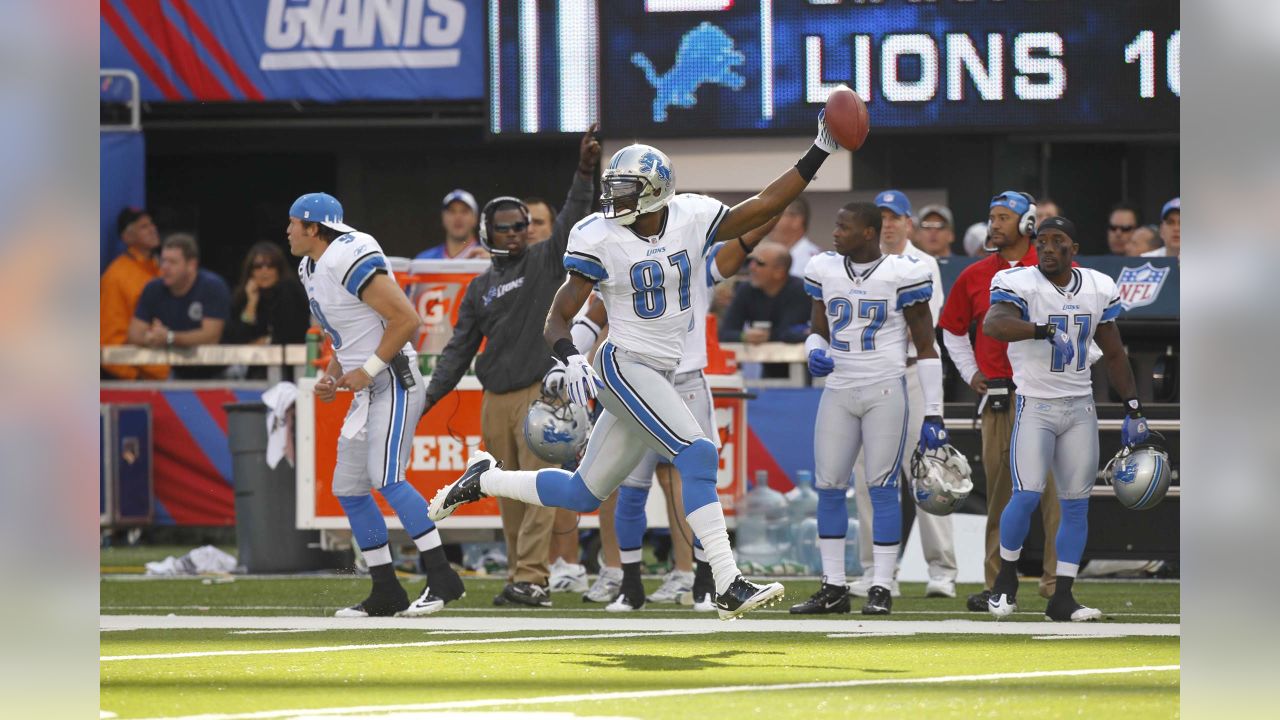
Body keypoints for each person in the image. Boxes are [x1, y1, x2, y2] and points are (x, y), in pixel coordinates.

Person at [429, 114, 846, 619]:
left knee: (583, 492)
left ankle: (484, 479)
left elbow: (763, 206)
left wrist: (819, 151)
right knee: (697, 455)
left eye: (626, 190)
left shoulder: (692, 216)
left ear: (656, 193)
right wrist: (568, 356)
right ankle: (726, 582)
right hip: (624, 364)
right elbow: (559, 313)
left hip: (663, 369)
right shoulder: (598, 235)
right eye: (614, 188)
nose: (615, 199)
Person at [422, 128, 600, 608]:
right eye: (507, 227)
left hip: (540, 394)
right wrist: (426, 399)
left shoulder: (544, 261)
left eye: (522, 225)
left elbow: (570, 219)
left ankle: (532, 578)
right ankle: (523, 574)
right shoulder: (479, 287)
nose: (518, 232)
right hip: (494, 397)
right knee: (505, 492)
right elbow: (458, 351)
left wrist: (585, 171)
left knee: (538, 489)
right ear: (488, 233)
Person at [287, 192, 465, 618]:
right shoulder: (309, 266)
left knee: (387, 478)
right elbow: (346, 332)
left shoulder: (347, 254)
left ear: (313, 227)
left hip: (394, 381)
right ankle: (386, 590)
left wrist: (365, 369)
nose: (288, 230)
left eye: (293, 222)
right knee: (348, 488)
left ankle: (442, 578)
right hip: (370, 388)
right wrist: (334, 372)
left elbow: (406, 318)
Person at [598, 217, 778, 613]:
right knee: (631, 487)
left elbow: (746, 237)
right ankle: (631, 585)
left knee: (699, 480)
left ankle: (702, 584)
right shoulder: (622, 256)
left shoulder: (697, 263)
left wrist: (778, 202)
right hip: (640, 380)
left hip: (687, 379)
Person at [983, 215, 1153, 621]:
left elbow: (1113, 352)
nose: (1046, 247)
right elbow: (994, 323)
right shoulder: (1020, 283)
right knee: (1025, 494)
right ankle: (1005, 580)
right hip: (1035, 404)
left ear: (1073, 249)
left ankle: (1063, 595)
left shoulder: (1097, 286)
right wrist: (1039, 330)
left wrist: (1132, 406)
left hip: (1079, 406)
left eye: (1057, 240)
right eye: (1040, 240)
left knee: (1076, 505)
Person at [790, 202, 944, 616]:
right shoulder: (825, 268)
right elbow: (817, 330)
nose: (835, 233)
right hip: (839, 389)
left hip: (884, 390)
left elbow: (927, 346)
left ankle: (881, 585)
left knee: (882, 487)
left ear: (868, 232)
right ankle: (834, 585)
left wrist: (933, 410)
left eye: (844, 227)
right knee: (829, 486)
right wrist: (814, 352)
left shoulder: (904, 273)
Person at [937, 191, 1060, 611]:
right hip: (1000, 395)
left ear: (1027, 223)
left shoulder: (1052, 269)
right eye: (992, 217)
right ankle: (997, 585)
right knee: (1001, 494)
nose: (994, 225)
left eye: (1004, 217)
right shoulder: (975, 274)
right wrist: (971, 370)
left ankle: (1056, 582)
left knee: (1053, 495)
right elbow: (951, 328)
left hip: (1045, 391)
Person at [854, 189, 957, 600]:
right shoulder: (858, 261)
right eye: (882, 217)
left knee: (930, 469)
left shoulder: (924, 263)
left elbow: (924, 325)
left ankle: (942, 569)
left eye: (895, 217)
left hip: (914, 372)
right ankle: (877, 569)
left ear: (908, 223)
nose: (889, 224)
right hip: (871, 375)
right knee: (869, 476)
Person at [126, 233, 230, 380]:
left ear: (191, 265)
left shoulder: (212, 286)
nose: (165, 267)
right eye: (163, 261)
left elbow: (211, 336)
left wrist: (169, 337)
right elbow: (134, 335)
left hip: (220, 372)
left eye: (173, 262)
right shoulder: (152, 289)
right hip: (178, 372)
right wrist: (151, 338)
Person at [717, 240, 812, 378]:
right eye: (751, 261)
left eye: (759, 263)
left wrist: (767, 336)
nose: (751, 267)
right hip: (769, 370)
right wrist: (744, 336)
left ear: (779, 272)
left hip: (803, 372)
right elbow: (724, 333)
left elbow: (790, 334)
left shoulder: (800, 290)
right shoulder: (746, 290)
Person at [102, 207, 165, 379]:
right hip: (141, 378)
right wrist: (135, 380)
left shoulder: (163, 269)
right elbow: (110, 342)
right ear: (127, 237)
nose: (153, 229)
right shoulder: (116, 276)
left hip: (171, 370)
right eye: (143, 226)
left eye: (152, 223)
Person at [224, 242, 310, 349]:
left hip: (291, 360)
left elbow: (293, 332)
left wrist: (268, 341)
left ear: (279, 269)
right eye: (258, 266)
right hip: (250, 362)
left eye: (270, 265)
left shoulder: (290, 290)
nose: (264, 271)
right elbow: (237, 339)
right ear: (251, 271)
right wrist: (251, 303)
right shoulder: (243, 296)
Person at [415, 189, 489, 260]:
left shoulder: (488, 259)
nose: (458, 217)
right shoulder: (425, 259)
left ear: (475, 218)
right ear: (443, 218)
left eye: (464, 211)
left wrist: (496, 265)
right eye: (452, 211)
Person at [768, 197, 822, 276]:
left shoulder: (812, 260)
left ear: (796, 220)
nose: (769, 221)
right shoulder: (771, 255)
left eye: (776, 215)